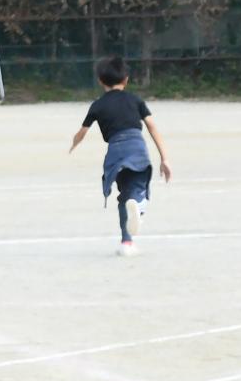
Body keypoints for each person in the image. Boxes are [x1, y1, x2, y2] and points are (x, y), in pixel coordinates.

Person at [68, 54, 171, 256]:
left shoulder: (97, 105)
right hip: (136, 145)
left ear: (100, 81)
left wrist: (74, 144)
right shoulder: (135, 100)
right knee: (138, 188)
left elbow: (82, 132)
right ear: (126, 80)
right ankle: (139, 207)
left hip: (115, 150)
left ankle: (127, 242)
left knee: (123, 196)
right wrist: (164, 158)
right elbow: (151, 126)